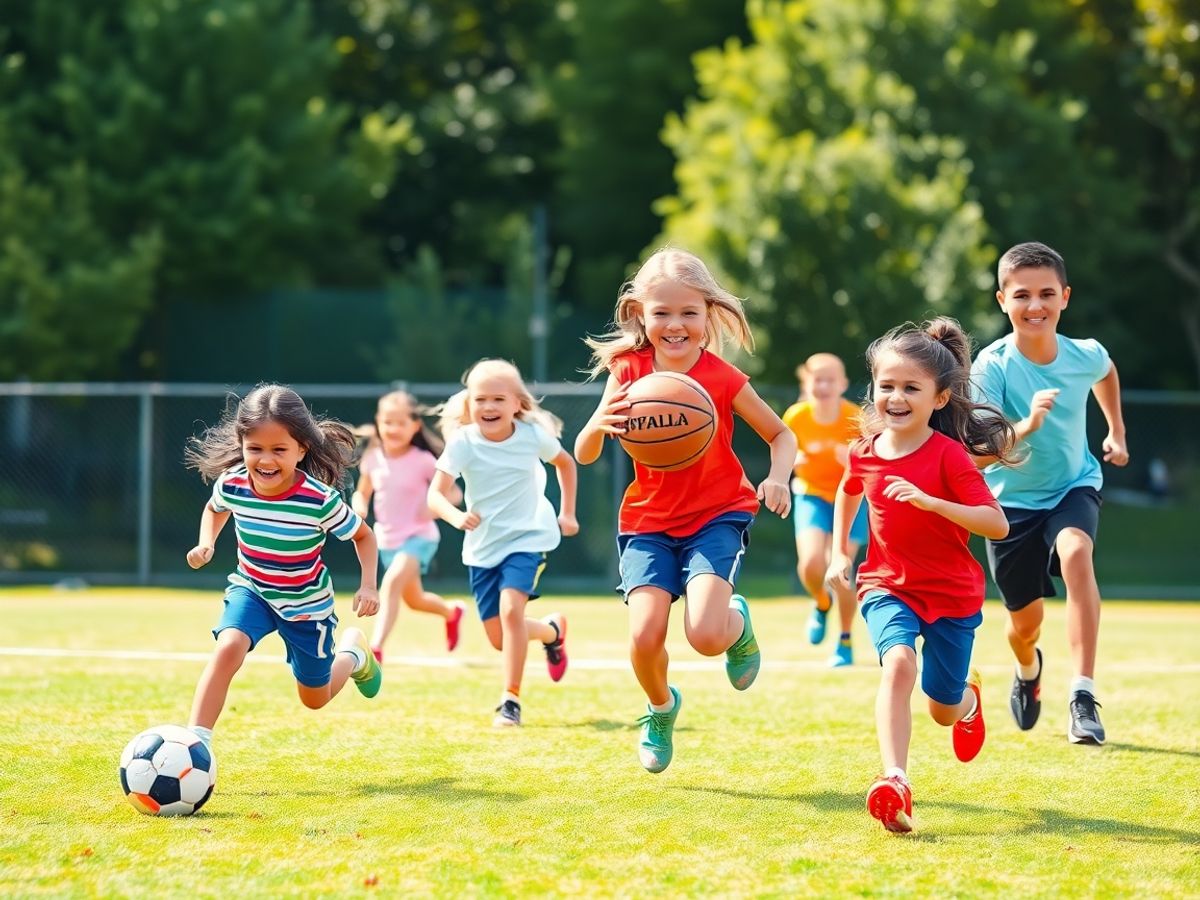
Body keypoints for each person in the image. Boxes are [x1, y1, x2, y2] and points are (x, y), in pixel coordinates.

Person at [575, 248, 796, 774]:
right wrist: (598, 422)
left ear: (708, 314)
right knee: (644, 635)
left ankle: (735, 624)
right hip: (648, 522)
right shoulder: (627, 370)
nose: (675, 325)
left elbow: (781, 434)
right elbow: (584, 453)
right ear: (640, 314)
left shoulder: (722, 378)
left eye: (688, 313)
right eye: (662, 313)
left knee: (704, 636)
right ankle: (660, 707)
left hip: (717, 514)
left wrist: (777, 477)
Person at [825, 318, 1016, 833]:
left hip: (952, 595)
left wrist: (934, 502)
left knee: (943, 710)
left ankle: (969, 699)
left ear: (938, 398)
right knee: (898, 665)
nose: (896, 397)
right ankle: (895, 780)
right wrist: (839, 552)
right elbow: (847, 491)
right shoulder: (863, 451)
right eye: (886, 386)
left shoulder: (950, 456)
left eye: (911, 387)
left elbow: (996, 524)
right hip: (886, 584)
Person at [971, 241, 1129, 746]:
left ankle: (1082, 696)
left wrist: (1116, 431)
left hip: (1072, 486)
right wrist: (1031, 423)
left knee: (1078, 553)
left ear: (1064, 296)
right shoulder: (990, 367)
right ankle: (1027, 668)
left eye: (1045, 294)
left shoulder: (1084, 353)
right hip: (1010, 505)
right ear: (1002, 301)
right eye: (1022, 295)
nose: (1034, 306)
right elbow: (981, 452)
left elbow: (1105, 371)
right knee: (1025, 627)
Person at [182, 384, 383, 751]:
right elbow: (214, 509)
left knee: (314, 698)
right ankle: (196, 742)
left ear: (301, 448)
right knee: (228, 647)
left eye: (279, 450)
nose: (266, 460)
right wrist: (206, 542)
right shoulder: (234, 484)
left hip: (306, 607)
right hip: (253, 589)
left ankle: (353, 654)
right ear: (242, 445)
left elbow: (364, 537)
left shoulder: (319, 501)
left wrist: (368, 585)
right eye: (255, 449)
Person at [427, 359, 578, 728]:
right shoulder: (463, 443)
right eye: (480, 399)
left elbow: (566, 463)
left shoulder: (530, 436)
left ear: (517, 404)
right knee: (500, 638)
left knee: (512, 612)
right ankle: (552, 632)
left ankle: (510, 701)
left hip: (529, 536)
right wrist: (455, 516)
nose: (489, 407)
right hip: (482, 548)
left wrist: (568, 513)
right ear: (469, 404)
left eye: (498, 398)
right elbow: (435, 496)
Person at [352, 391, 466, 664]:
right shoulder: (373, 459)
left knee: (390, 583)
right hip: (387, 541)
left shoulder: (423, 460)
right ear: (378, 423)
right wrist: (359, 508)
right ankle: (452, 613)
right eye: (388, 422)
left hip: (420, 537)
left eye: (401, 423)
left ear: (415, 426)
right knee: (415, 600)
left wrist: (431, 509)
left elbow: (455, 495)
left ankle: (376, 647)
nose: (393, 429)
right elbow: (362, 493)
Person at [782, 352, 868, 666]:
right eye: (818, 378)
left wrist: (852, 460)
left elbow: (872, 463)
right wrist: (793, 462)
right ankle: (821, 604)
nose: (824, 385)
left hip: (851, 497)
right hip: (812, 495)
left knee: (840, 570)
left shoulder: (854, 417)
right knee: (811, 564)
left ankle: (844, 641)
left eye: (830, 379)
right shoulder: (795, 416)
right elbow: (783, 451)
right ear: (807, 383)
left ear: (843, 383)